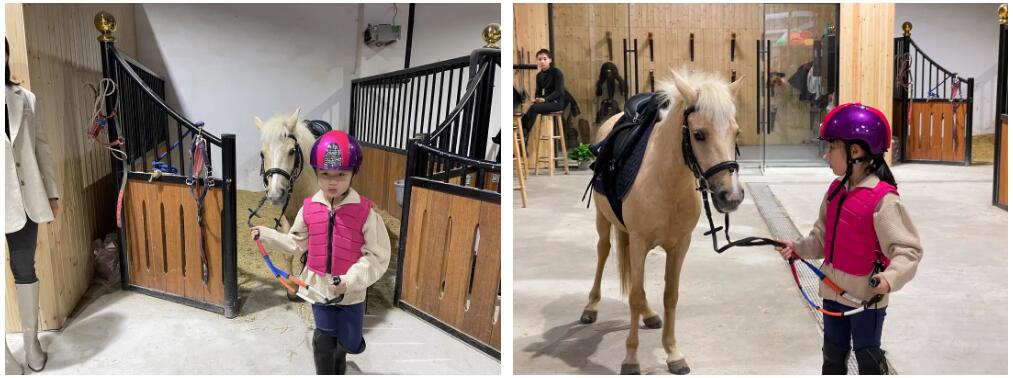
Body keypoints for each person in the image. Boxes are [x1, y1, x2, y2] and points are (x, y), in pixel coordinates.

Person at [773, 103, 923, 374]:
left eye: (832, 148)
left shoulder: (882, 201)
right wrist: (796, 248)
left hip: (866, 302)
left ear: (855, 151)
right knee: (832, 360)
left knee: (868, 363)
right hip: (832, 293)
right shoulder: (835, 192)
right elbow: (821, 238)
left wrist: (889, 278)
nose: (826, 155)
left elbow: (908, 251)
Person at [251, 130, 390, 375]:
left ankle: (342, 358)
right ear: (316, 173)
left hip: (351, 292)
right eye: (325, 175)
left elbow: (377, 256)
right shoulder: (309, 209)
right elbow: (296, 243)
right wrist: (267, 235)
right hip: (319, 288)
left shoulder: (366, 212)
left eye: (341, 174)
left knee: (348, 341)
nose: (333, 181)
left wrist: (350, 280)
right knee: (324, 339)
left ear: (353, 173)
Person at [6, 38, 59, 375]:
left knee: (25, 268)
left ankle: (31, 342)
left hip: (25, 198)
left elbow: (41, 146)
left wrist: (51, 191)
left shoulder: (25, 98)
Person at [520, 48, 566, 140]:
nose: (542, 61)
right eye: (539, 59)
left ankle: (524, 134)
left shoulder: (556, 72)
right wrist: (537, 98)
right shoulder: (539, 75)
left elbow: (559, 91)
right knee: (532, 107)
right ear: (537, 61)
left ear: (550, 60)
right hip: (546, 101)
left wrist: (545, 99)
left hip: (557, 102)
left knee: (533, 108)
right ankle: (522, 134)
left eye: (545, 59)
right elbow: (538, 92)